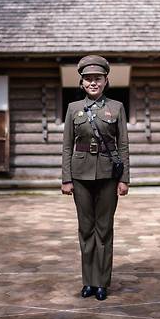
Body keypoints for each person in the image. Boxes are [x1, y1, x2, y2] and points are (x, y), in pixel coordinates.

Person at [61, 55, 130, 301]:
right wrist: (66, 178)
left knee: (104, 230)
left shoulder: (117, 108)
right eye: (88, 79)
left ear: (105, 81)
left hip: (108, 175)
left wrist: (124, 180)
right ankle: (88, 281)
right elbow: (67, 146)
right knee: (85, 230)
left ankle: (102, 283)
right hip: (79, 176)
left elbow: (123, 146)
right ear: (81, 83)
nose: (93, 83)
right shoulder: (73, 109)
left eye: (97, 79)